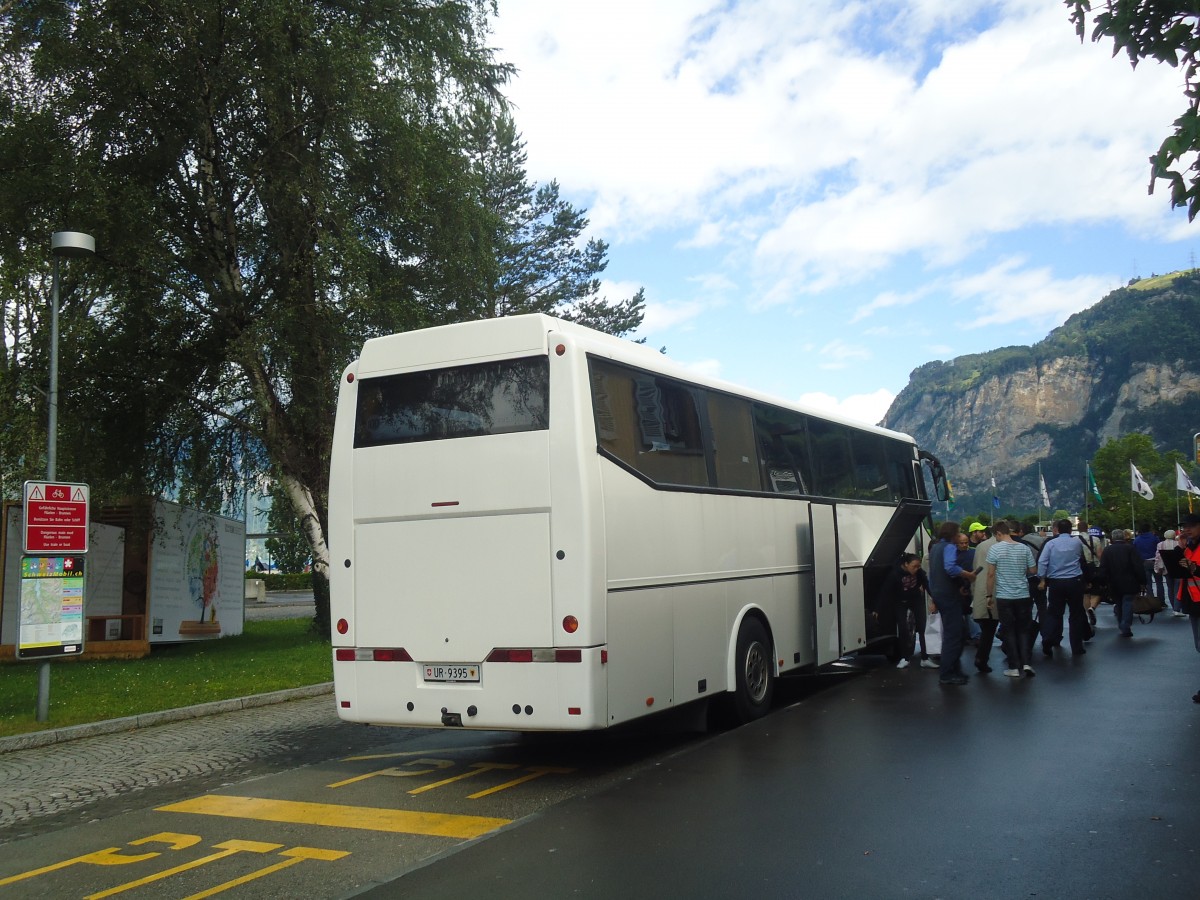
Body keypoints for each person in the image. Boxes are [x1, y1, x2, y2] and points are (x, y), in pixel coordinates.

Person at [985, 519, 1038, 677]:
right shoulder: (1024, 548)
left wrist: (988, 595)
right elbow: (1033, 570)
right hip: (1023, 594)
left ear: (999, 533)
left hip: (1004, 596)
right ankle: (1027, 663)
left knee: (1009, 631)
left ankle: (1014, 666)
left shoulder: (995, 549)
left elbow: (990, 574)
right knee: (1023, 630)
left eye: (996, 536)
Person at [928, 521, 975, 685]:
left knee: (956, 631)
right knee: (954, 634)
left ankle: (954, 669)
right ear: (953, 534)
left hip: (939, 593)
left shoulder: (934, 548)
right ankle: (947, 672)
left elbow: (933, 574)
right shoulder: (949, 547)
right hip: (948, 596)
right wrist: (967, 575)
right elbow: (950, 568)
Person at [873, 553, 938, 669]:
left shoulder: (919, 572)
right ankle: (905, 658)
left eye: (918, 566)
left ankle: (925, 658)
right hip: (901, 601)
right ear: (906, 564)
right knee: (903, 628)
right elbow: (885, 592)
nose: (917, 569)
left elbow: (927, 585)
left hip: (916, 599)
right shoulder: (895, 574)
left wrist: (935, 601)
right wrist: (877, 609)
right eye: (914, 566)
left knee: (922, 627)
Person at [1037, 518, 1090, 657]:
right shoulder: (1077, 543)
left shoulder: (1051, 544)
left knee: (1054, 613)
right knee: (1075, 615)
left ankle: (1048, 638)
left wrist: (1042, 578)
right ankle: (1077, 647)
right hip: (1074, 581)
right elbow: (1082, 560)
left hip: (1056, 582)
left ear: (1057, 530)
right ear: (1071, 530)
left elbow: (1042, 562)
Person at [1099, 529, 1147, 637]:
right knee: (1128, 603)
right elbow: (1138, 566)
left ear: (1112, 538)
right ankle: (1125, 625)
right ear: (1123, 537)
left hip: (1114, 582)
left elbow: (1103, 567)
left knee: (1119, 603)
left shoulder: (1107, 550)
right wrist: (1142, 581)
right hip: (1130, 581)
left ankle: (1121, 624)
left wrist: (1102, 582)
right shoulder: (1130, 548)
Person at [1174, 514, 1200, 702]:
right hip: (1193, 601)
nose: (1187, 529)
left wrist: (1193, 568)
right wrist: (1179, 549)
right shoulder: (1190, 546)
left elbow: (1193, 569)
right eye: (1185, 526)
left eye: (1192, 526)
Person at [969, 526, 1000, 673]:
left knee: (988, 628)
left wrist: (973, 590)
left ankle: (981, 658)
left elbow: (976, 568)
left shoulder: (981, 546)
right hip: (997, 591)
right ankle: (1016, 660)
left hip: (981, 590)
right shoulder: (1003, 545)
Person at [1156, 529, 1186, 617]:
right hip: (1177, 569)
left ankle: (1173, 606)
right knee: (1177, 588)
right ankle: (1177, 608)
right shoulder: (1177, 544)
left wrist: (1159, 568)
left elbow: (1159, 557)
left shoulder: (1160, 544)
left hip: (1166, 569)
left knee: (1170, 588)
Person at [1133, 523, 1164, 601]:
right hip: (1155, 561)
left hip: (1144, 562)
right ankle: (1161, 600)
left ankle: (1151, 600)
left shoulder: (1137, 540)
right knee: (1159, 582)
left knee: (1148, 583)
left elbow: (1135, 552)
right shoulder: (1155, 538)